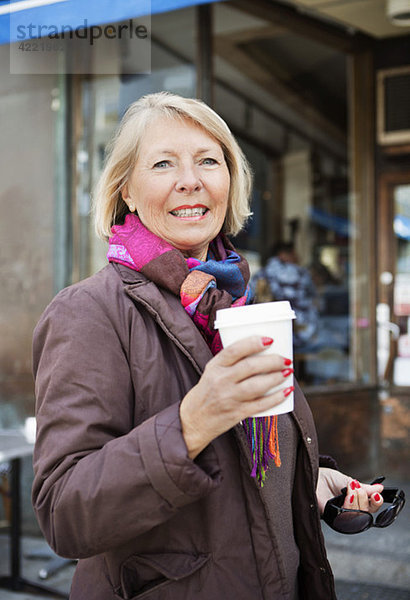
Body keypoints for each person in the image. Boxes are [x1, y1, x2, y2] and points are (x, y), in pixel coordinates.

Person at [32, 92, 384, 600]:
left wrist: (309, 483)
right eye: (162, 163)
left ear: (230, 181)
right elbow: (64, 514)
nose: (190, 180)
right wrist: (191, 422)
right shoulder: (88, 311)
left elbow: (245, 473)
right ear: (127, 190)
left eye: (208, 161)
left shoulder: (235, 302)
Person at [251, 242, 319, 349]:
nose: (297, 257)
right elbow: (313, 295)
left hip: (270, 329)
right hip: (302, 330)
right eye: (293, 254)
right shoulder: (301, 273)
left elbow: (252, 298)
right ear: (282, 254)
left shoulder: (261, 274)